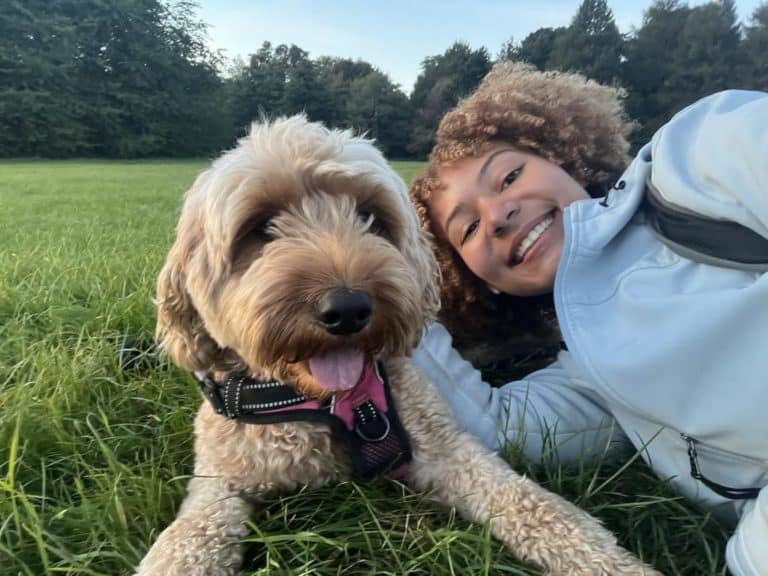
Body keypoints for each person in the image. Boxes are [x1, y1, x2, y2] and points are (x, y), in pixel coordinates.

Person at [409, 62, 768, 576]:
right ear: (477, 280)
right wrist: (394, 283)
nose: (497, 215)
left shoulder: (692, 158)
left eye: (510, 175)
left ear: (565, 159)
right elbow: (495, 427)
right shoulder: (587, 376)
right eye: (466, 229)